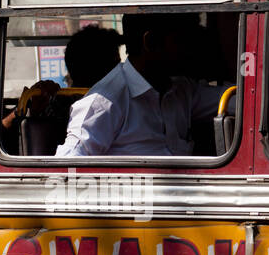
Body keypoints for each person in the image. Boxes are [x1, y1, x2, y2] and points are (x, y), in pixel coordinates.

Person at [56, 14, 217, 157]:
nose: (190, 51)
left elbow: (239, 102)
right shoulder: (105, 101)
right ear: (151, 42)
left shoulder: (182, 90)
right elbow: (67, 169)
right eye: (181, 41)